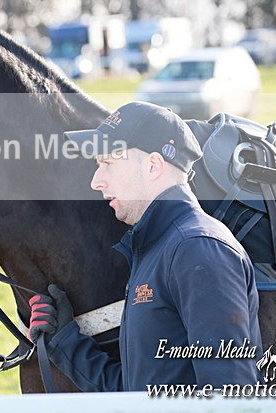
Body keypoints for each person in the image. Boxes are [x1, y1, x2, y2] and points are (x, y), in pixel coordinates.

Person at [28, 101, 261, 391]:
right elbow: (135, 392)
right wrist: (64, 339)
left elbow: (229, 395)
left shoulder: (197, 250)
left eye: (107, 162)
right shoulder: (159, 249)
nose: (96, 181)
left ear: (153, 166)